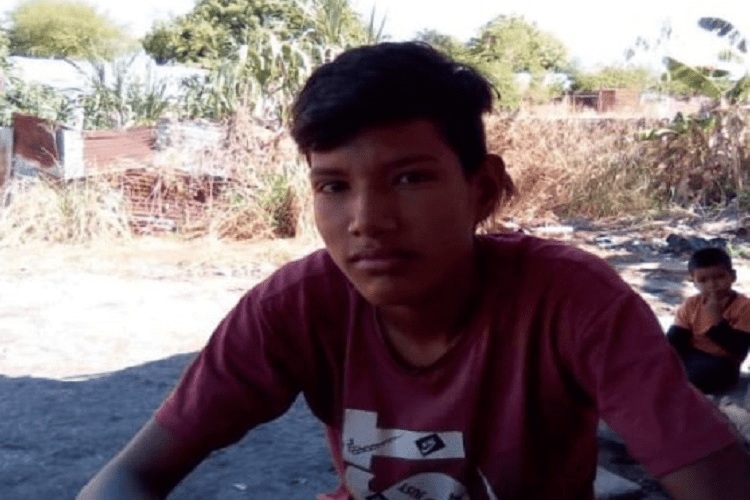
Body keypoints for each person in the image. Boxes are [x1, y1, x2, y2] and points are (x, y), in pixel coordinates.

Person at [77, 42, 750, 500]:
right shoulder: (296, 307)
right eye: (333, 186)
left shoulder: (572, 302)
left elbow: (717, 480)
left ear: (483, 190)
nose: (366, 221)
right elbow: (130, 476)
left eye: (409, 178)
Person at [667, 247, 750, 394]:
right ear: (694, 282)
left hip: (722, 361)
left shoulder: (744, 306)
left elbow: (738, 349)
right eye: (703, 280)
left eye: (719, 277)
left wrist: (717, 318)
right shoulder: (691, 304)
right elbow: (678, 338)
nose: (712, 285)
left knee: (705, 375)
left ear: (733, 276)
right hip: (691, 354)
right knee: (670, 340)